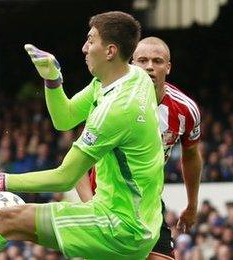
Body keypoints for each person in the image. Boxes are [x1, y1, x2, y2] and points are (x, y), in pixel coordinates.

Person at [0, 11, 164, 259]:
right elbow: (64, 118)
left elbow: (65, 177)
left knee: (6, 220)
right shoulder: (132, 76)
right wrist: (52, 80)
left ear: (110, 51)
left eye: (91, 40)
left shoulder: (117, 110)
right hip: (139, 221)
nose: (84, 48)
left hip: (119, 227)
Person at [75, 36, 204, 259]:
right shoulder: (111, 102)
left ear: (169, 67)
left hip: (148, 203)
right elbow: (77, 162)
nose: (150, 67)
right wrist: (90, 206)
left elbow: (191, 155)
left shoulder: (185, 110)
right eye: (142, 60)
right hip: (106, 202)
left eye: (158, 61)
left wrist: (192, 205)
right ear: (132, 65)